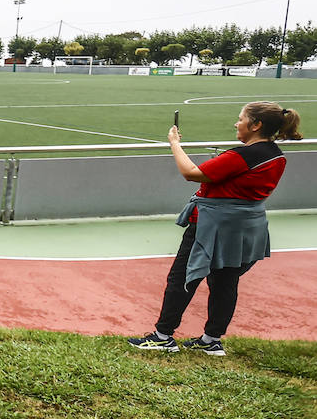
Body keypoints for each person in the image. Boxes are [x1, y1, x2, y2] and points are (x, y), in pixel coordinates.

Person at [128, 102, 302, 356]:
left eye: (240, 119)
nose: (236, 123)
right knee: (225, 283)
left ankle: (163, 336)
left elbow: (191, 172)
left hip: (212, 226)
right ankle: (211, 340)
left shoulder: (243, 156)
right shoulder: (275, 154)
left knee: (183, 278)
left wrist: (174, 143)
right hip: (243, 227)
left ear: (256, 125)